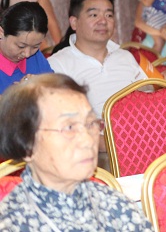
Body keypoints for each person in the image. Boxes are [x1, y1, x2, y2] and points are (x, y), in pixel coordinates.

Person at [0, 73, 153, 231]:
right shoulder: (13, 222)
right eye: (69, 127)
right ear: (27, 145)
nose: (88, 140)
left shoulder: (112, 202)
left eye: (90, 123)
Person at [48, 0, 147, 169]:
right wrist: (99, 141)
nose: (103, 21)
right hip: (93, 152)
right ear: (74, 22)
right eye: (94, 15)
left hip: (141, 141)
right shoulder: (58, 64)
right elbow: (56, 119)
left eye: (109, 15)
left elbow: (149, 96)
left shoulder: (125, 56)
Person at [0, 1, 53, 93]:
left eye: (36, 46)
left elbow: (55, 90)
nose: (27, 54)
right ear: (1, 33)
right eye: (21, 46)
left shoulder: (36, 57)